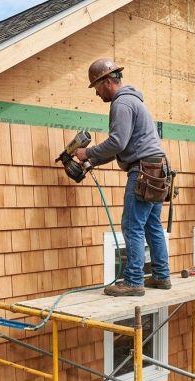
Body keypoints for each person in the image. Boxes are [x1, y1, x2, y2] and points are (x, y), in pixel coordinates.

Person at [74, 59, 170, 297]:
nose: (96, 93)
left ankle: (133, 281)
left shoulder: (122, 103)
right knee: (152, 225)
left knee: (132, 225)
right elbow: (122, 147)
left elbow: (117, 142)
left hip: (143, 170)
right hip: (157, 168)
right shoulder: (132, 101)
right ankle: (161, 276)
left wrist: (87, 152)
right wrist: (93, 161)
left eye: (96, 87)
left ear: (107, 82)